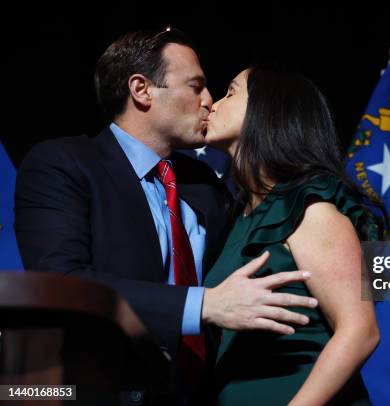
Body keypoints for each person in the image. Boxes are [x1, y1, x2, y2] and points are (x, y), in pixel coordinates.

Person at [13, 29, 317, 404]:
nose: (209, 101)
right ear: (141, 90)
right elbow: (62, 285)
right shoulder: (63, 165)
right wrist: (205, 305)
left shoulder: (207, 184)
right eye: (196, 86)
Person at [203, 67, 382, 405]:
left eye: (231, 91)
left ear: (267, 110)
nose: (213, 103)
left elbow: (360, 332)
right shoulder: (239, 219)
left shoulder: (311, 209)